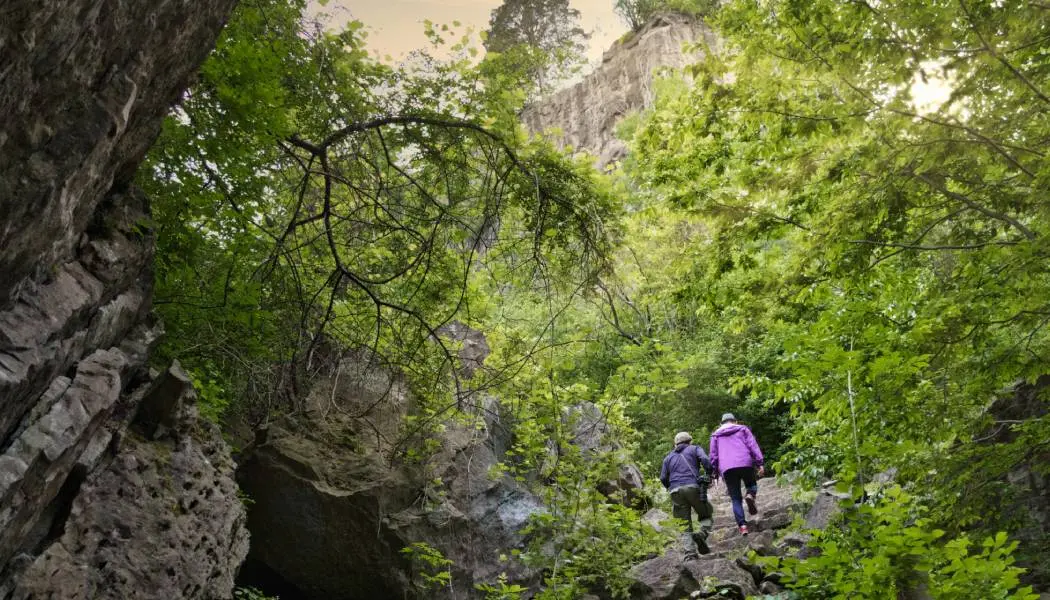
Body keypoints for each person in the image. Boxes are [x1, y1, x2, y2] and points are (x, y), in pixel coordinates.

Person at [709, 413, 765, 536]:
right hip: (745, 463)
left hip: (727, 468)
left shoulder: (715, 435)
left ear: (721, 424)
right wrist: (760, 463)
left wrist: (715, 472)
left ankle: (743, 526)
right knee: (752, 485)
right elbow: (753, 446)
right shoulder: (743, 429)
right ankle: (750, 494)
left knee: (735, 498)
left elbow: (713, 456)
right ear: (735, 421)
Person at [659, 431, 714, 555]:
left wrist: (671, 487)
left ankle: (690, 554)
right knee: (706, 514)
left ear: (676, 444)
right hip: (693, 487)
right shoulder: (694, 449)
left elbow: (663, 478)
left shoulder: (668, 457)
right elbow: (705, 459)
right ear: (690, 441)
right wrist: (708, 473)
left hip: (675, 491)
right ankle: (702, 533)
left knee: (684, 524)